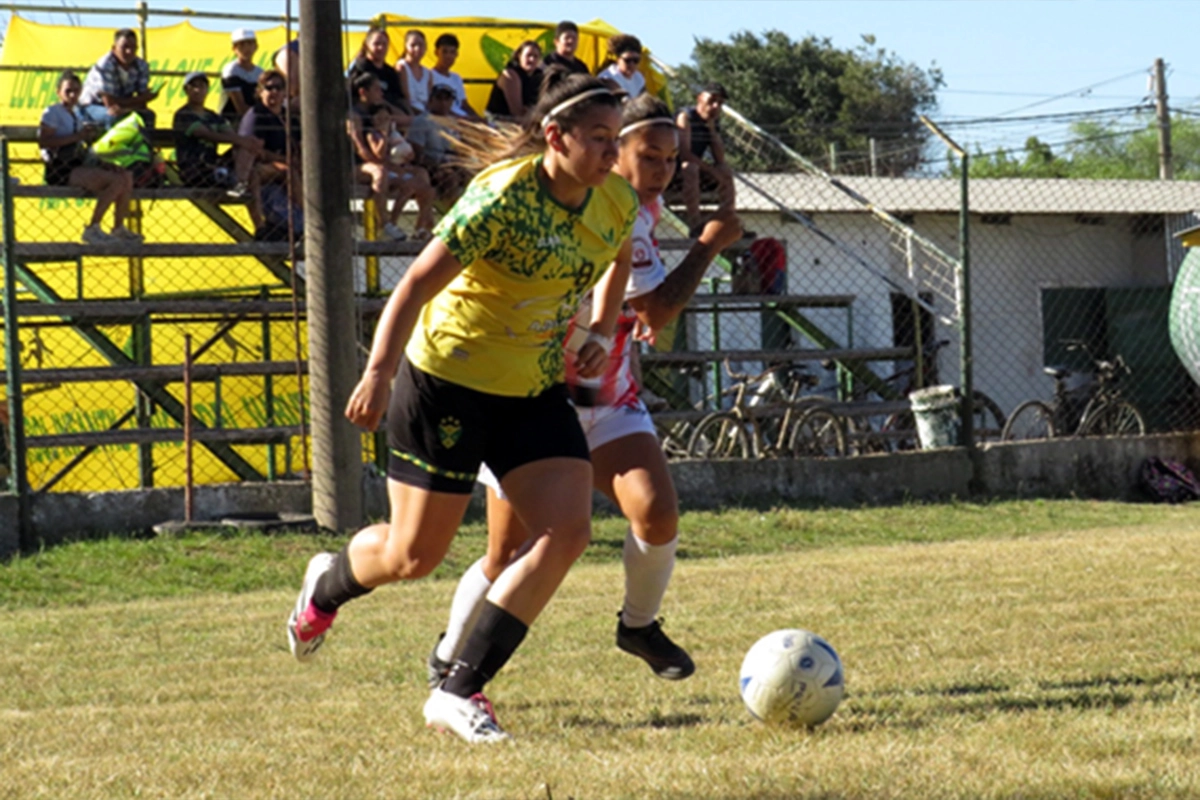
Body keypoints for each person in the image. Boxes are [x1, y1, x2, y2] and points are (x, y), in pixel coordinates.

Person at [286, 74, 637, 744]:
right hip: (446, 381)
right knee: (414, 555)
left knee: (567, 533)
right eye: (598, 140)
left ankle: (458, 688)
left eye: (614, 140)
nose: (609, 154)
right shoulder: (501, 198)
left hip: (532, 387)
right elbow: (415, 283)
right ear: (555, 138)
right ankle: (326, 585)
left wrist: (598, 329)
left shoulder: (612, 198)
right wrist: (379, 372)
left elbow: (618, 257)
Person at [426, 95, 744, 688]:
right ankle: (449, 658)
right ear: (611, 152)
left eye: (672, 159)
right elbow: (656, 307)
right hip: (538, 402)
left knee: (657, 512)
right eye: (647, 155)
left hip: (611, 400)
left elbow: (637, 316)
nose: (663, 170)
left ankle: (638, 625)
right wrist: (707, 245)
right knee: (506, 554)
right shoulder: (595, 209)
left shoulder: (639, 216)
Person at [38, 70, 141, 245]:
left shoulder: (76, 115)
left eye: (76, 91)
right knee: (114, 181)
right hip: (60, 168)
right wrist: (77, 137)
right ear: (58, 92)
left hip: (77, 163)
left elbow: (81, 147)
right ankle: (93, 227)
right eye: (68, 91)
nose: (72, 95)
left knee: (125, 176)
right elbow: (44, 142)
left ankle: (118, 227)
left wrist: (103, 163)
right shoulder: (52, 112)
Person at [347, 72, 435, 242]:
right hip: (357, 165)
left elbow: (405, 123)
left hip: (384, 162)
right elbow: (360, 150)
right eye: (376, 90)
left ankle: (421, 227)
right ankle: (385, 224)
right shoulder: (354, 116)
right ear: (363, 92)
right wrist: (390, 167)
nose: (381, 93)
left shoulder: (379, 112)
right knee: (380, 173)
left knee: (421, 175)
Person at [174, 71, 264, 199]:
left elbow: (231, 134)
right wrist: (242, 141)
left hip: (213, 164)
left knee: (253, 172)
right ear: (186, 90)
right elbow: (205, 134)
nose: (198, 90)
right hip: (194, 170)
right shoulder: (183, 115)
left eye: (202, 86)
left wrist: (247, 142)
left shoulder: (212, 115)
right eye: (193, 86)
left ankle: (242, 189)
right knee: (243, 145)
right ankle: (238, 183)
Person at [235, 70, 301, 236]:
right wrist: (282, 159)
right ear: (260, 91)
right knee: (286, 171)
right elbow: (253, 150)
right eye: (269, 87)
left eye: (279, 88)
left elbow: (299, 145)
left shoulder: (289, 118)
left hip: (289, 163)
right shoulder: (256, 115)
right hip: (263, 166)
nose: (275, 92)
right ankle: (304, 217)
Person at [675, 82, 736, 236]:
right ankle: (695, 223)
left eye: (720, 103)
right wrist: (711, 171)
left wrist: (712, 130)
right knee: (690, 167)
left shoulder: (712, 122)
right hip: (675, 173)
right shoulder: (685, 117)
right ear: (700, 98)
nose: (715, 106)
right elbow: (684, 154)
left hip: (699, 173)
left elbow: (720, 158)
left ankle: (729, 220)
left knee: (725, 170)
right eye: (712, 101)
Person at [79, 28, 159, 130]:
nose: (129, 51)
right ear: (114, 48)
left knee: (148, 115)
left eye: (133, 48)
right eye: (124, 47)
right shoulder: (105, 65)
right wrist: (140, 100)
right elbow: (109, 103)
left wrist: (137, 102)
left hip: (122, 107)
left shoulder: (141, 66)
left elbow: (142, 104)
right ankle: (113, 146)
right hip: (92, 106)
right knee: (113, 117)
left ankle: (143, 145)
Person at [408, 83, 470, 206]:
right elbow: (417, 154)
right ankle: (448, 215)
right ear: (431, 100)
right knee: (451, 178)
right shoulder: (422, 121)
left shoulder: (453, 123)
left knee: (472, 174)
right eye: (439, 98)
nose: (443, 103)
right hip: (431, 166)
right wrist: (438, 165)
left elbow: (458, 148)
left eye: (447, 99)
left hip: (452, 162)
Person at [347, 28, 413, 129]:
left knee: (413, 121)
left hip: (389, 109)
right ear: (366, 45)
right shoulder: (361, 67)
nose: (381, 48)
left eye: (384, 44)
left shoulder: (390, 72)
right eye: (376, 44)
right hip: (370, 111)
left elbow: (398, 96)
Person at [485, 40, 543, 122]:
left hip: (528, 119)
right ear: (519, 55)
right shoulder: (510, 75)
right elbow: (517, 112)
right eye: (528, 55)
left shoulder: (539, 76)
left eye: (535, 56)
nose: (532, 59)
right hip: (501, 120)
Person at [430, 33, 483, 121]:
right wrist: (462, 119)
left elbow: (464, 104)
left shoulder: (456, 78)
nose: (448, 56)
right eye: (444, 52)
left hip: (464, 120)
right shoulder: (429, 76)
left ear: (456, 54)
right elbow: (436, 108)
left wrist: (477, 118)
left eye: (452, 52)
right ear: (436, 52)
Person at [218, 28, 262, 123]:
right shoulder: (231, 71)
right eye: (241, 45)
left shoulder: (260, 72)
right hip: (231, 124)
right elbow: (241, 109)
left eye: (250, 43)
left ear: (256, 46)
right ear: (234, 49)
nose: (246, 48)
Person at [396, 29, 433, 114]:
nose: (417, 49)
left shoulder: (428, 73)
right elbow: (405, 99)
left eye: (421, 45)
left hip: (426, 113)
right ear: (406, 47)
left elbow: (430, 101)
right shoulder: (402, 67)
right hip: (410, 113)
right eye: (413, 45)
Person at [597, 34, 646, 99]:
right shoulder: (608, 76)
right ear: (618, 59)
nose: (632, 65)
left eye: (636, 60)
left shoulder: (639, 78)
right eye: (627, 60)